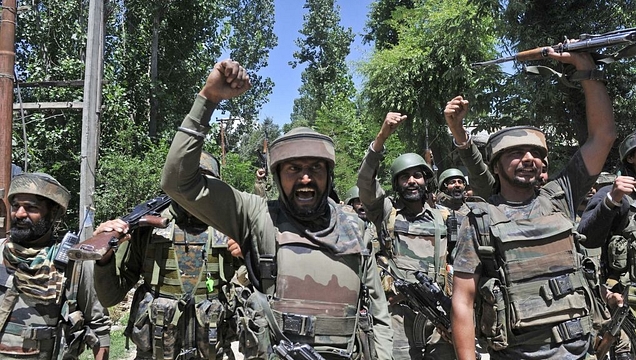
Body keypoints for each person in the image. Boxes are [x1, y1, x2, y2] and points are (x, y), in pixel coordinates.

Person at [160, 59, 393, 360]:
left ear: (328, 175)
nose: (305, 177)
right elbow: (178, 182)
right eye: (293, 168)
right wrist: (208, 100)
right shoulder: (258, 217)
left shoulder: (354, 227)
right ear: (278, 177)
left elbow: (379, 314)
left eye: (315, 168)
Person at [450, 48, 616, 360]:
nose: (528, 159)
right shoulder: (480, 220)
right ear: (496, 166)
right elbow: (463, 299)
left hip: (581, 352)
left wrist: (585, 67)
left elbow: (603, 135)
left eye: (536, 153)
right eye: (516, 153)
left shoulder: (559, 195)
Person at [92, 152, 243, 360]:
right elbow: (110, 297)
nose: (194, 189)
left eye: (203, 181)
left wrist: (249, 254)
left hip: (212, 350)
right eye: (188, 180)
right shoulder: (148, 225)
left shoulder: (232, 225)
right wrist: (104, 258)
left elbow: (259, 290)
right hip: (156, 351)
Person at [357, 112, 455, 360]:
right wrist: (381, 138)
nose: (411, 181)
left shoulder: (445, 218)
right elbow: (365, 181)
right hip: (397, 315)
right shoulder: (386, 212)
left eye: (417, 175)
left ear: (426, 181)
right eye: (404, 176)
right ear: (397, 183)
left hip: (438, 316)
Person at [0, 172, 111, 359]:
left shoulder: (74, 265)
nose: (19, 214)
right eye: (16, 206)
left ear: (53, 213)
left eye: (31, 208)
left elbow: (99, 328)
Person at [578, 130, 636, 360]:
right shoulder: (616, 195)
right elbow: (585, 237)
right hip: (627, 305)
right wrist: (612, 200)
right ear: (631, 158)